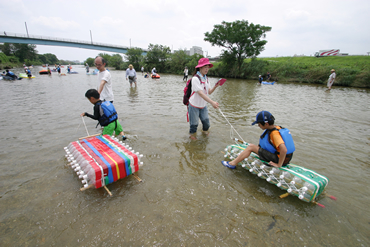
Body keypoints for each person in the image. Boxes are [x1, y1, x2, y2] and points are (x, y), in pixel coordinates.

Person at [221, 111, 294, 169]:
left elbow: (284, 149)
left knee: (251, 147)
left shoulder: (274, 134)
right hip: (284, 158)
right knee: (253, 147)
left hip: (279, 159)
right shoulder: (275, 128)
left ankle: (232, 164)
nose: (258, 126)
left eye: (259, 124)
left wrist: (279, 165)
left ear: (266, 124)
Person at [188, 58, 220, 140]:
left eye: (208, 67)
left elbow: (209, 92)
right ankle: (192, 136)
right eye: (205, 67)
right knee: (194, 124)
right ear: (200, 67)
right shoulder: (195, 79)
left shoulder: (206, 78)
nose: (207, 69)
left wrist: (215, 87)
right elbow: (201, 93)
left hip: (203, 105)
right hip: (194, 105)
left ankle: (204, 132)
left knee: (206, 124)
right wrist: (212, 102)